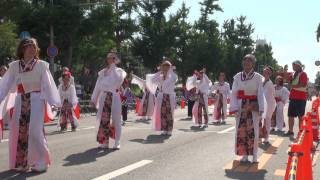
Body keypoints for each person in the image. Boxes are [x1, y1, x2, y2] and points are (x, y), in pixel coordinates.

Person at [0, 38, 61, 172]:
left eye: (35, 46)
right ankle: (22, 163)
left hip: (37, 99)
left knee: (34, 131)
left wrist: (54, 102)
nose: (33, 48)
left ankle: (42, 161)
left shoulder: (41, 65)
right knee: (18, 131)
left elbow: (48, 84)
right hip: (20, 100)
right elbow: (4, 86)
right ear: (23, 48)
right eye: (30, 46)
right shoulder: (15, 66)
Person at [229, 54, 264, 163]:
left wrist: (261, 108)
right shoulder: (237, 76)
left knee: (253, 131)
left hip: (253, 106)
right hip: (241, 106)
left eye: (249, 61)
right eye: (244, 61)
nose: (246, 63)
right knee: (241, 131)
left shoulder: (258, 77)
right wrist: (234, 107)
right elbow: (233, 93)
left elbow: (260, 93)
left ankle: (254, 155)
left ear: (253, 63)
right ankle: (244, 154)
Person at [91, 51, 126, 149]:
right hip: (104, 97)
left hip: (114, 96)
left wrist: (113, 67)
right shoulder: (102, 72)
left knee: (116, 119)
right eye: (108, 58)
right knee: (104, 120)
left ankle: (117, 141)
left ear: (115, 60)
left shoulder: (120, 71)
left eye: (112, 58)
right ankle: (104, 142)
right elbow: (97, 87)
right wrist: (93, 99)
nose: (109, 59)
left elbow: (118, 81)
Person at [146, 59, 178, 136]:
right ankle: (164, 129)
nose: (165, 68)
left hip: (169, 96)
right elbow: (152, 80)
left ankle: (169, 129)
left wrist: (170, 69)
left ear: (169, 67)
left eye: (167, 66)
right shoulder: (160, 77)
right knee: (162, 113)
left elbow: (174, 78)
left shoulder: (173, 76)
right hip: (161, 97)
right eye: (164, 66)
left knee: (169, 113)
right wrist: (160, 71)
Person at [284, 60, 308, 136]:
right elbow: (286, 79)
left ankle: (300, 132)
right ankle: (290, 131)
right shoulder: (293, 74)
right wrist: (285, 70)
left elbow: (302, 85)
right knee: (290, 116)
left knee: (300, 117)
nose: (293, 67)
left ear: (299, 66)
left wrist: (292, 86)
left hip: (301, 98)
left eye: (294, 65)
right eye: (293, 66)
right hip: (293, 98)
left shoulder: (303, 74)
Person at [260, 66, 276, 144]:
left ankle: (266, 137)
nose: (266, 73)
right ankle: (259, 136)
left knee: (267, 120)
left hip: (269, 104)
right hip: (260, 103)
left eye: (268, 72)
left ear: (270, 74)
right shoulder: (261, 80)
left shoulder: (270, 83)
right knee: (258, 120)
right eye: (264, 71)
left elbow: (273, 95)